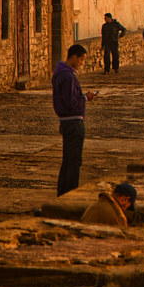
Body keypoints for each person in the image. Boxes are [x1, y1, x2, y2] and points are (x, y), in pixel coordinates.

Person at [53, 44, 95, 196]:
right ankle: (70, 195)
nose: (82, 63)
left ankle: (62, 194)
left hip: (66, 121)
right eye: (81, 59)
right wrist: (85, 98)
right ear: (74, 57)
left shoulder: (60, 73)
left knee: (67, 161)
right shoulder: (68, 76)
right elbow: (71, 102)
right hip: (73, 122)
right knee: (74, 162)